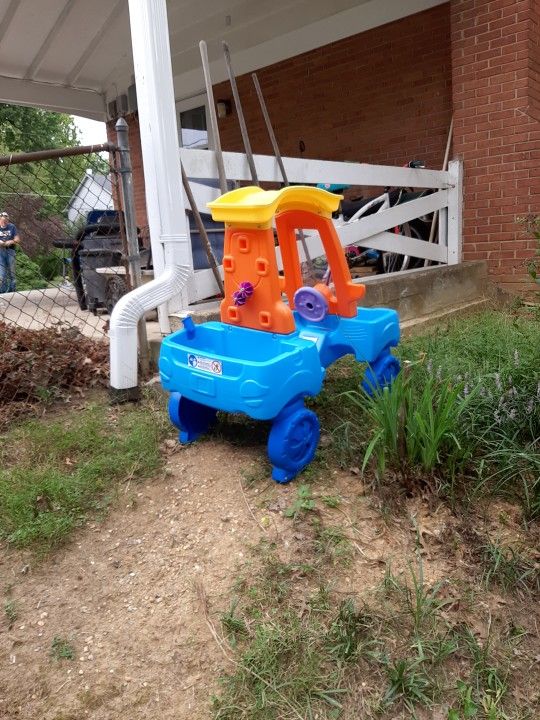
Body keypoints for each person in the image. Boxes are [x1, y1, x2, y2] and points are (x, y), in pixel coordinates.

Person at [0, 211, 20, 293]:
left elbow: (17, 239)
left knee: (11, 272)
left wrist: (11, 241)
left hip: (10, 251)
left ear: (8, 220)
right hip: (0, 251)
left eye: (5, 221)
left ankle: (12, 290)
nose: (4, 222)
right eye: (2, 220)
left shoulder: (12, 227)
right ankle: (3, 291)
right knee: (2, 273)